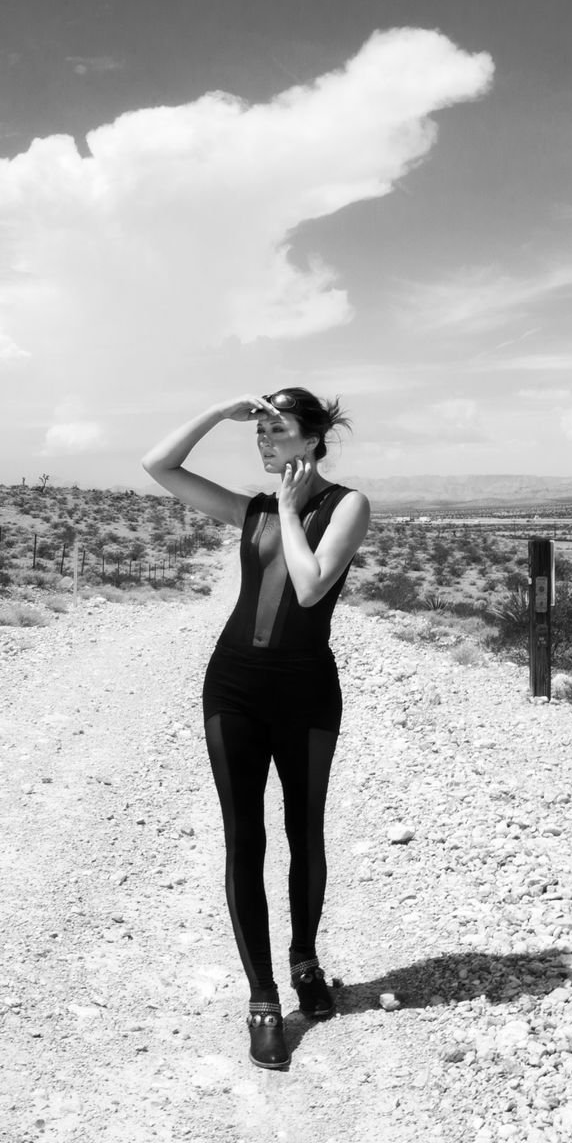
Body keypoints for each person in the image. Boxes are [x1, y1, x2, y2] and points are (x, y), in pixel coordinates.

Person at [140, 388, 370, 1071]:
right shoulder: (252, 509)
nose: (264, 440)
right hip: (234, 686)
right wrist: (218, 413)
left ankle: (305, 961)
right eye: (259, 430)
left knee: (304, 830)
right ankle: (263, 998)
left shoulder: (347, 505)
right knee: (244, 837)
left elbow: (310, 585)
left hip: (306, 691)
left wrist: (293, 511)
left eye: (278, 429)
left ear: (313, 439)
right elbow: (159, 465)